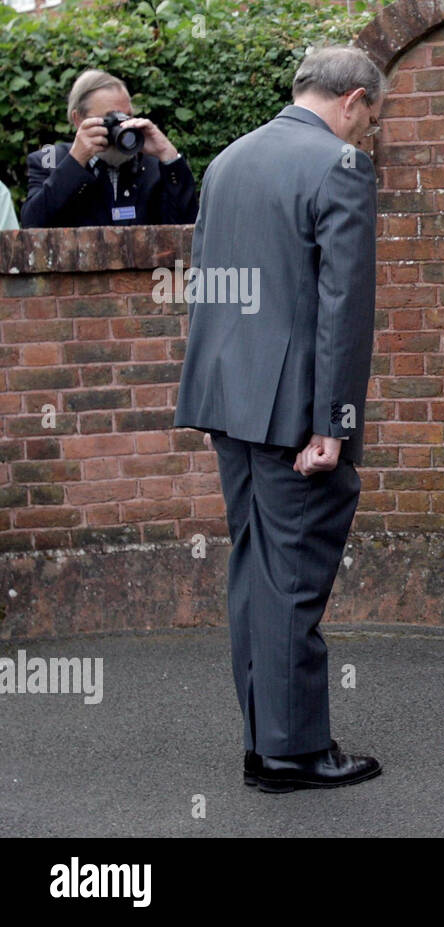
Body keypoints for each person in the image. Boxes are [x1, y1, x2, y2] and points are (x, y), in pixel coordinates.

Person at [173, 45, 385, 792]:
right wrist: (335, 422)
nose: (365, 135)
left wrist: (215, 391)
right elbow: (344, 309)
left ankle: (266, 740)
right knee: (293, 577)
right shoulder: (341, 167)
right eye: (370, 119)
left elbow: (210, 285)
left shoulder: (227, 161)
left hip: (228, 400)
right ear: (355, 99)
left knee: (254, 571)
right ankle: (293, 752)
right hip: (297, 412)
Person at [21, 69, 198, 228]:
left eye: (126, 117)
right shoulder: (49, 158)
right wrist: (76, 162)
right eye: (109, 119)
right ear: (78, 120)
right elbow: (31, 224)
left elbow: (189, 226)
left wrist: (169, 158)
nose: (121, 128)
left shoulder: (153, 166)